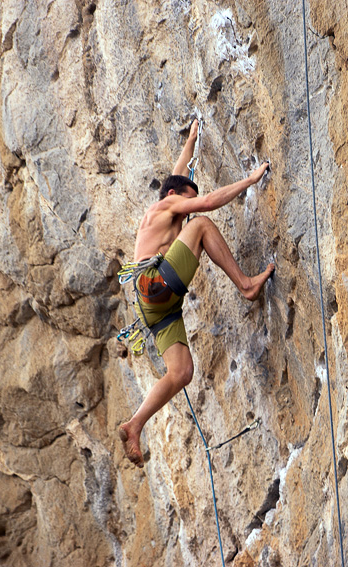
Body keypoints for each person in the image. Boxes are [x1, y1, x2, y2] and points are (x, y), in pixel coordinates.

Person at [118, 120, 274, 467]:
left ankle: (135, 425)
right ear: (175, 199)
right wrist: (249, 180)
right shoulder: (169, 206)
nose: (187, 207)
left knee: (181, 373)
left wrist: (190, 141)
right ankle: (245, 285)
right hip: (154, 285)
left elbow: (177, 178)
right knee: (200, 224)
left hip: (154, 305)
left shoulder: (162, 206)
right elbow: (201, 202)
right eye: (185, 201)